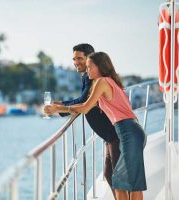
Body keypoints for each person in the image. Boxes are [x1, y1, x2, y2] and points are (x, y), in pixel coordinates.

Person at [44, 52, 147, 200]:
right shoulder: (110, 81)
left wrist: (59, 109)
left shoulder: (102, 82)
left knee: (124, 182)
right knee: (126, 182)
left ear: (100, 66)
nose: (87, 71)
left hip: (127, 132)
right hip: (131, 130)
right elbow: (85, 104)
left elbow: (85, 107)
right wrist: (60, 106)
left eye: (89, 67)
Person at [53, 43, 120, 199]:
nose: (76, 62)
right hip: (110, 136)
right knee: (110, 174)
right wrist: (61, 105)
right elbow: (82, 100)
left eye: (79, 58)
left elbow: (84, 102)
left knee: (117, 178)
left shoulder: (96, 79)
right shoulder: (87, 77)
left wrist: (60, 108)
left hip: (116, 134)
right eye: (74, 59)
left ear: (90, 58)